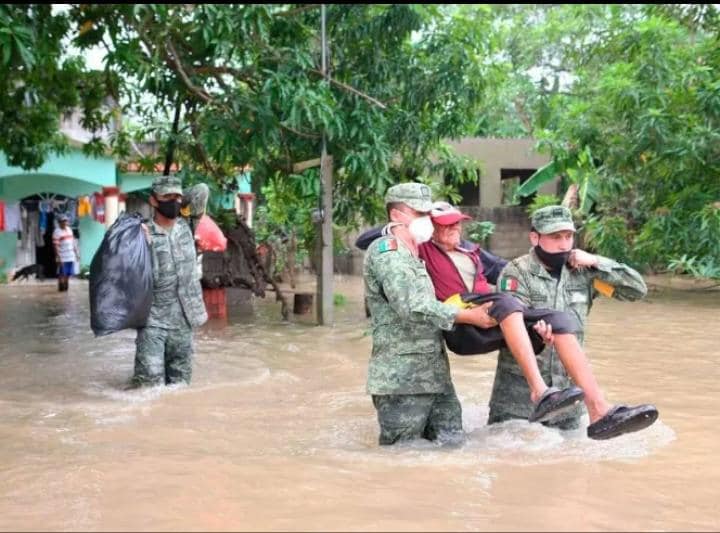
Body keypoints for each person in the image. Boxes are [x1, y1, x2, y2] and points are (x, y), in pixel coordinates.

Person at [363, 182, 575, 446]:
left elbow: (496, 267)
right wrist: (468, 317)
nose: (426, 220)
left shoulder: (415, 252)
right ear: (396, 216)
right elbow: (412, 306)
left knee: (454, 447)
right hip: (401, 381)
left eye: (427, 214)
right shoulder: (390, 253)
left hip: (435, 375)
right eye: (419, 214)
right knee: (402, 454)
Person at [488, 205, 658, 439]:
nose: (564, 244)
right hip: (519, 400)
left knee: (570, 467)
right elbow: (509, 321)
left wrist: (597, 260)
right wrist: (534, 331)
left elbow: (636, 290)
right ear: (535, 237)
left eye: (568, 236)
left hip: (570, 399)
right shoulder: (517, 272)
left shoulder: (583, 273)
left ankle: (598, 412)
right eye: (555, 237)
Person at [129, 175, 208, 388]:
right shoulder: (140, 232)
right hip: (153, 321)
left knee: (181, 387)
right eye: (167, 197)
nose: (173, 201)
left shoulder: (188, 224)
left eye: (177, 197)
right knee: (148, 388)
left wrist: (177, 193)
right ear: (153, 200)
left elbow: (201, 188)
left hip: (184, 319)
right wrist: (137, 237)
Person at [52, 213, 78, 292]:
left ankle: (66, 289)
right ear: (59, 222)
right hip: (62, 256)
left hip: (70, 256)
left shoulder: (69, 229)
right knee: (62, 274)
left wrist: (76, 253)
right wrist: (58, 257)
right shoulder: (57, 232)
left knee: (68, 274)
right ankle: (61, 288)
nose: (65, 223)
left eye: (66, 221)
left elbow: (73, 242)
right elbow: (55, 246)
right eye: (63, 221)